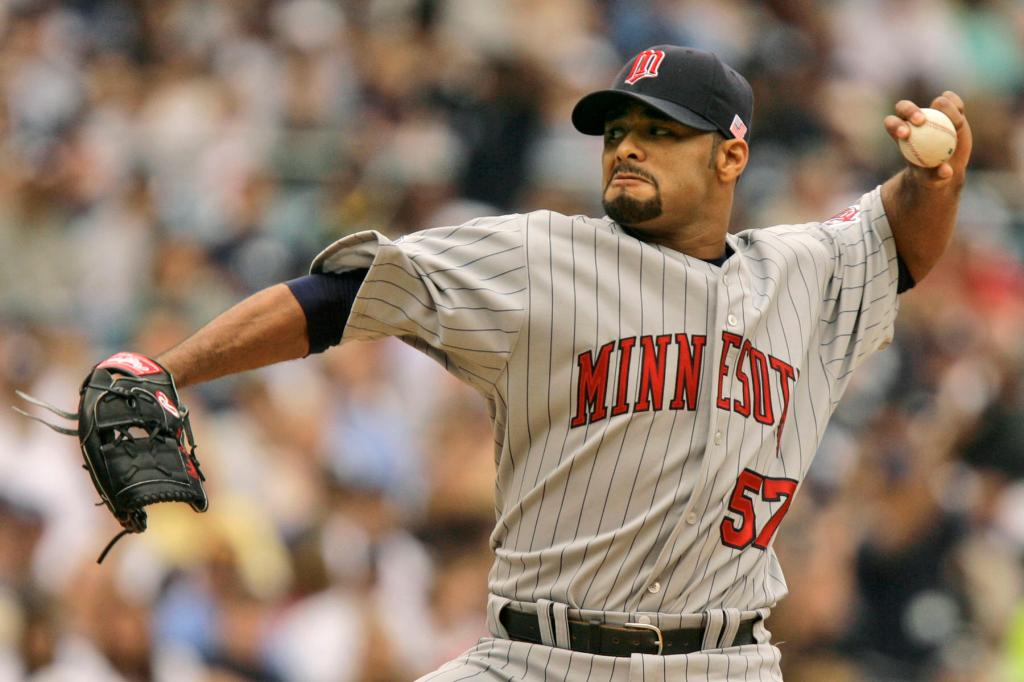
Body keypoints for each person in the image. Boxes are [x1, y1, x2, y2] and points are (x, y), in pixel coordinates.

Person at [103, 46, 975, 679]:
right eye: (616, 130)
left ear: (731, 154)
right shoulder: (536, 256)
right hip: (537, 656)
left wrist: (933, 184)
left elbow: (897, 240)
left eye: (659, 131)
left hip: (724, 662)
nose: (627, 146)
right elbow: (339, 300)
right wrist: (167, 369)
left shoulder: (800, 273)